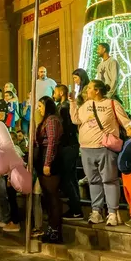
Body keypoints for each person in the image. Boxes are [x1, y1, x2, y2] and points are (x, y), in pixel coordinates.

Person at [69, 79, 131, 226]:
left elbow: (125, 122)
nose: (86, 90)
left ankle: (112, 212)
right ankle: (96, 211)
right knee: (93, 181)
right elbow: (76, 120)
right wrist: (72, 103)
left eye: (89, 88)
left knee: (109, 180)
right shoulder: (86, 105)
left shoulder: (111, 104)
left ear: (97, 90)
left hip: (105, 148)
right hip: (86, 149)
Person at [34, 96, 64, 243]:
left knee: (52, 196)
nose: (39, 109)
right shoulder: (44, 120)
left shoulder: (52, 120)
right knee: (46, 196)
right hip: (42, 156)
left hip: (49, 157)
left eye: (41, 106)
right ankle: (51, 228)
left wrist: (48, 163)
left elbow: (52, 141)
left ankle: (55, 231)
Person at [53, 84, 83, 219]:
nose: (53, 94)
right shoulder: (61, 106)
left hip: (68, 145)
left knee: (67, 178)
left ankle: (76, 208)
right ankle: (76, 207)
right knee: (71, 178)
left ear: (61, 93)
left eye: (55, 91)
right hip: (69, 145)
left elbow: (65, 127)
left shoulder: (64, 108)